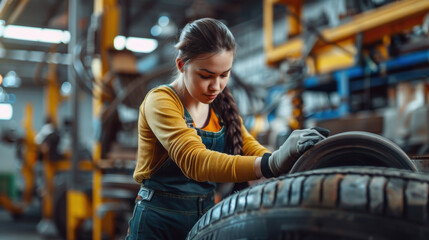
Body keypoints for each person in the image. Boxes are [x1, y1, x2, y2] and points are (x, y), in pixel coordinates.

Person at [126, 18, 328, 240]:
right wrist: (271, 164)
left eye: (224, 75)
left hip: (205, 219)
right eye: (206, 75)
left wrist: (286, 159)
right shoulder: (161, 102)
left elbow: (248, 147)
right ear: (181, 65)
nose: (216, 86)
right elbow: (195, 161)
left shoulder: (219, 106)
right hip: (158, 224)